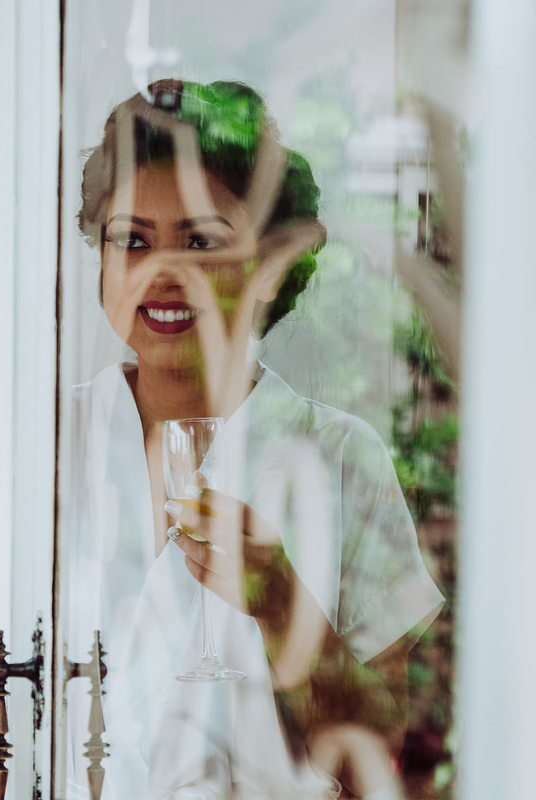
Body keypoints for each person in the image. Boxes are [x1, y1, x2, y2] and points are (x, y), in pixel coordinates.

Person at [65, 80, 444, 798]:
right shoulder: (47, 446)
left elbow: (387, 746)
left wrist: (279, 603)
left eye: (201, 241)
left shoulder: (338, 458)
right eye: (131, 240)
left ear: (268, 269)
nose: (164, 274)